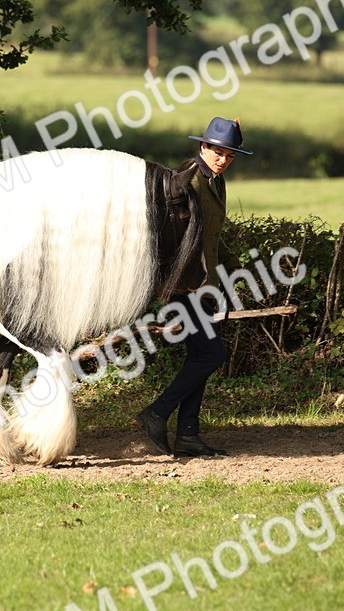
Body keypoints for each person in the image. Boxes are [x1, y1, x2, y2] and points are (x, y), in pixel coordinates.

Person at [137, 116, 252, 458]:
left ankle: (188, 434)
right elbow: (170, 235)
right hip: (184, 285)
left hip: (205, 285)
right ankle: (156, 412)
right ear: (203, 146)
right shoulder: (186, 181)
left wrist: (233, 266)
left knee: (202, 355)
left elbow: (209, 236)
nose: (223, 160)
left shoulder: (215, 181)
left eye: (230, 155)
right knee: (212, 354)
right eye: (218, 152)